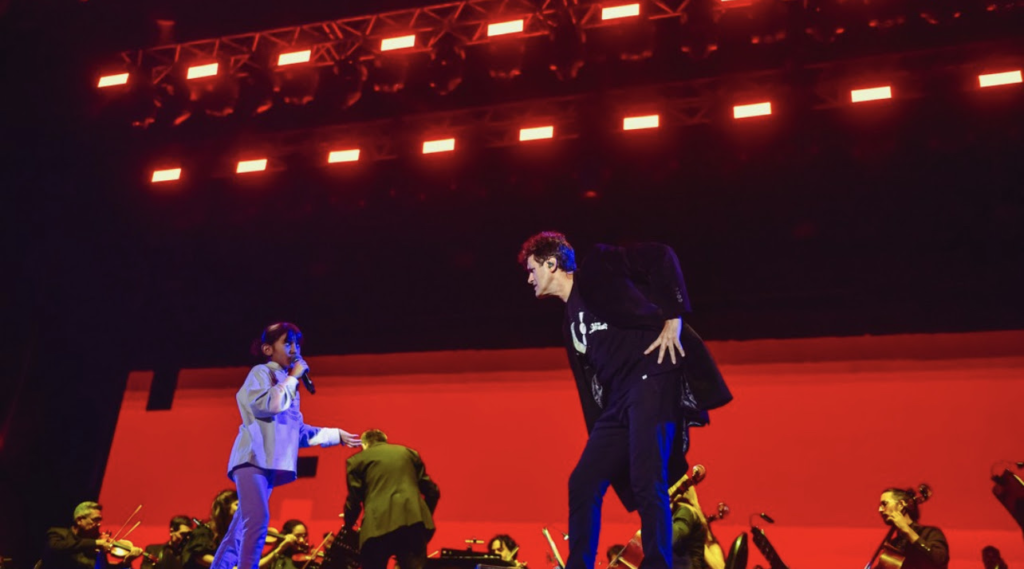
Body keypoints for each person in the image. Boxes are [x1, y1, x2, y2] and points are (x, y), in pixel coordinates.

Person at [517, 232, 731, 569]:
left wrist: (673, 318)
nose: (529, 279)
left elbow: (661, 255)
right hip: (618, 401)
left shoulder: (597, 267)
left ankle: (658, 565)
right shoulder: (570, 321)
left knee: (647, 477)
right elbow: (591, 389)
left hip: (650, 378)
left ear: (551, 263)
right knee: (583, 481)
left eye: (532, 270)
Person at [210, 322, 362, 569]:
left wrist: (335, 434)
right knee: (257, 521)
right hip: (252, 458)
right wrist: (292, 378)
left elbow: (296, 432)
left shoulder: (289, 385)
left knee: (241, 527)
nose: (295, 349)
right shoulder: (262, 373)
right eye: (288, 343)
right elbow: (268, 405)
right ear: (268, 349)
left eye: (297, 344)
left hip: (268, 462)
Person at [343, 429, 440, 569]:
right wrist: (421, 515)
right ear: (385, 440)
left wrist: (348, 524)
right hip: (412, 524)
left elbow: (354, 500)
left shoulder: (356, 461)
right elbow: (432, 492)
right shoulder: (409, 453)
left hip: (376, 527)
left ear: (364, 445)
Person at [41, 501, 143, 569]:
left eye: (100, 520)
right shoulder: (58, 533)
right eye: (95, 520)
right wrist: (96, 542)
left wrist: (126, 562)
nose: (99, 524)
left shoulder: (94, 547)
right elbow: (56, 547)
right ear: (79, 520)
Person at [878, 488, 949, 569]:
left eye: (884, 504)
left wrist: (907, 530)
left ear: (901, 504)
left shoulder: (930, 533)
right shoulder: (894, 544)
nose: (880, 509)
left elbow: (939, 559)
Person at [183, 490, 239, 569]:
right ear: (225, 507)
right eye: (237, 504)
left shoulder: (234, 534)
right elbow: (200, 556)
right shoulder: (204, 531)